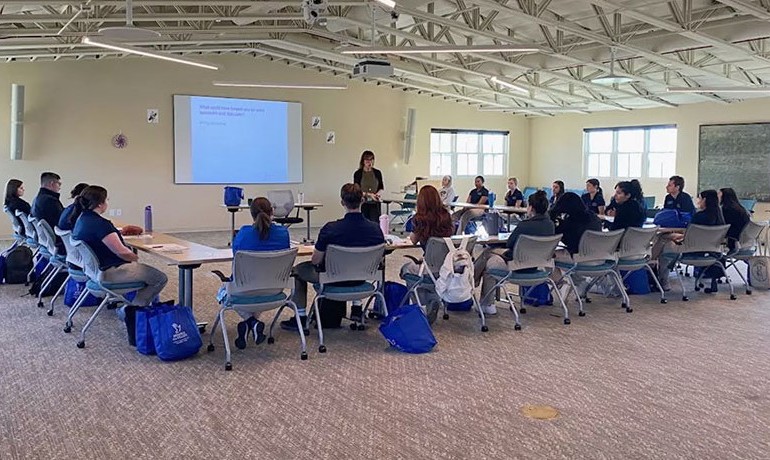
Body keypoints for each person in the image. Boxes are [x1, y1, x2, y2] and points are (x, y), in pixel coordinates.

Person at [282, 184, 385, 332]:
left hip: (332, 280)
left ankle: (301, 316)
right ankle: (357, 307)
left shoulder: (330, 229)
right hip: (360, 279)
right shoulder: (376, 229)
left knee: (297, 270)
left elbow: (315, 261)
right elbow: (379, 260)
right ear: (362, 200)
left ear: (342, 202)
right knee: (355, 264)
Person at [70, 186, 168, 306]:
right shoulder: (101, 224)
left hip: (93, 272)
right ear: (100, 204)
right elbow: (123, 253)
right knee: (159, 278)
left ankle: (135, 306)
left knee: (145, 272)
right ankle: (133, 310)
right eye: (106, 200)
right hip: (110, 272)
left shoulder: (81, 220)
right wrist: (134, 258)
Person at [474, 191, 555, 314]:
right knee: (489, 259)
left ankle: (475, 286)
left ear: (531, 208)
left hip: (516, 265)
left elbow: (510, 244)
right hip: (537, 265)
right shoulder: (550, 225)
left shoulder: (524, 225)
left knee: (487, 255)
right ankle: (485, 301)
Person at [229, 197, 291, 349]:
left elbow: (236, 256)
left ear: (251, 214)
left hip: (245, 289)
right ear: (272, 211)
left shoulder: (243, 234)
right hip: (274, 288)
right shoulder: (283, 233)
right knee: (258, 293)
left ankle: (250, 322)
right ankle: (254, 323)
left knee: (224, 293)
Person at [655, 189, 724, 292]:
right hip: (712, 252)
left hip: (690, 250)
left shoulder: (699, 216)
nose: (698, 201)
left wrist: (674, 236)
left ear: (705, 200)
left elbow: (688, 236)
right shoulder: (720, 218)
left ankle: (661, 278)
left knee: (664, 244)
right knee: (666, 238)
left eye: (699, 199)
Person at [400, 185, 455, 275]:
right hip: (447, 264)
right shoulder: (446, 215)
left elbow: (413, 240)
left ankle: (416, 288)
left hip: (430, 266)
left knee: (404, 269)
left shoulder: (419, 219)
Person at [31, 172, 65, 253]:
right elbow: (63, 221)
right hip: (60, 242)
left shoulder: (37, 199)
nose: (60, 187)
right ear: (52, 184)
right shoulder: (50, 201)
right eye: (59, 184)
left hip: (46, 240)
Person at [353, 150, 384, 223]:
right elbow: (356, 190)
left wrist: (377, 194)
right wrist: (369, 195)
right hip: (363, 203)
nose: (369, 162)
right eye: (367, 160)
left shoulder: (377, 173)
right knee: (363, 223)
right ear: (363, 161)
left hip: (375, 203)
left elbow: (381, 187)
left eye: (371, 160)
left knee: (375, 223)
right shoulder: (358, 173)